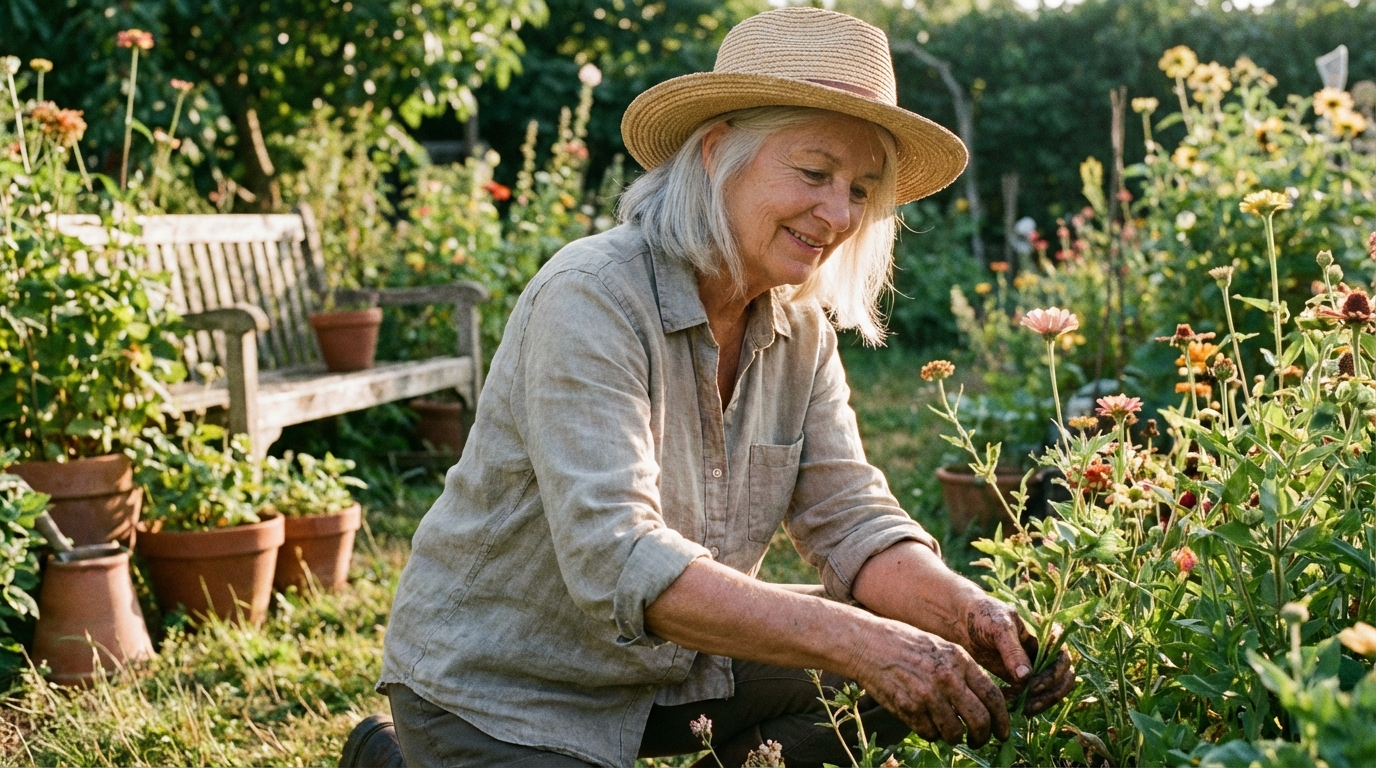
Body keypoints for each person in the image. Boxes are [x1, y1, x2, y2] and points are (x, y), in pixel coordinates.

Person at [375, 8, 1076, 767]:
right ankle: (391, 756)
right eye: (813, 173)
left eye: (861, 188)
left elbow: (850, 516)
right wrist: (867, 642)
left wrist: (967, 614)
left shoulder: (797, 329)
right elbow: (617, 559)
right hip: (506, 689)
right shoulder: (590, 297)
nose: (840, 214)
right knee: (879, 648)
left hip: (677, 670)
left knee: (925, 657)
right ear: (717, 153)